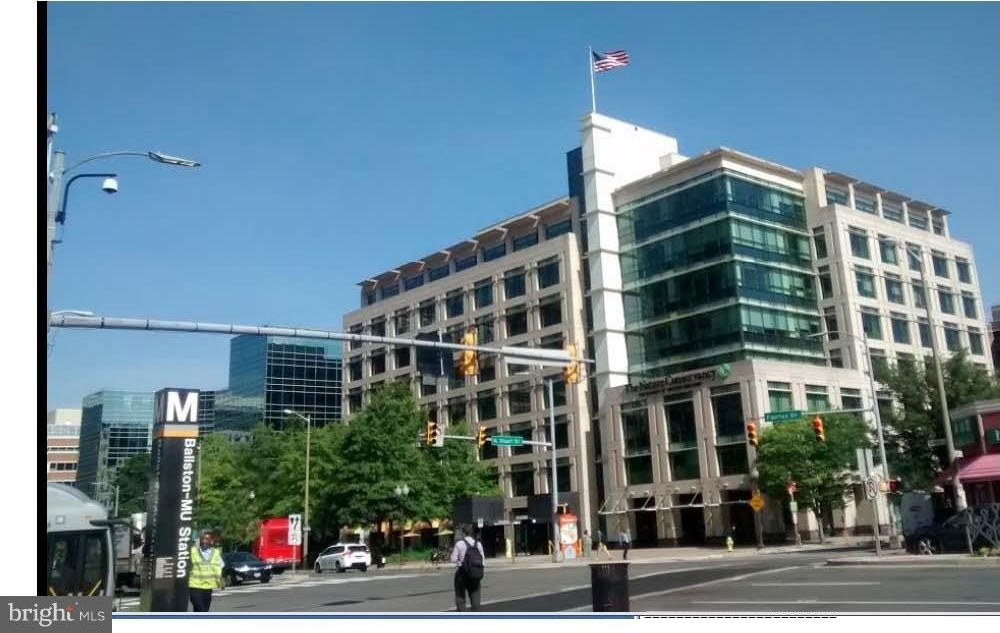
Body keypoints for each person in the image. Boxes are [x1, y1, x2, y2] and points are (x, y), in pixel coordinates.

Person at [450, 524, 485, 612]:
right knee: (475, 597)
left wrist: (460, 562)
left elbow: (453, 559)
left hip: (462, 574)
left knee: (460, 597)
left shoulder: (459, 544)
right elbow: (482, 560)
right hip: (475, 574)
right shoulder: (478, 544)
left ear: (463, 533)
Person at [189, 530, 224, 612]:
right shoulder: (193, 551)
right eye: (203, 539)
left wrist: (221, 580)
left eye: (207, 539)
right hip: (195, 587)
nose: (204, 541)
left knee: (200, 611)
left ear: (211, 541)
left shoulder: (215, 553)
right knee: (202, 610)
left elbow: (219, 567)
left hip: (208, 588)